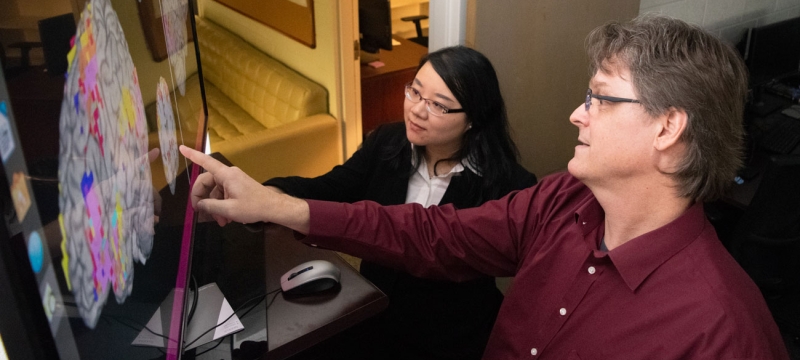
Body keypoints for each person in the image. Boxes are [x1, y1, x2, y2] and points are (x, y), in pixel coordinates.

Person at [180, 14, 791, 360]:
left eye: (599, 100)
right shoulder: (561, 201)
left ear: (668, 126)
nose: (576, 116)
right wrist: (276, 204)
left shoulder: (724, 332)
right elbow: (432, 233)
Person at [274, 46, 537, 359]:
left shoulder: (510, 186)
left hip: (450, 334)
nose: (416, 110)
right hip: (375, 310)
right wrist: (267, 192)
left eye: (439, 105)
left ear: (473, 120)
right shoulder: (387, 141)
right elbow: (330, 187)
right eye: (415, 91)